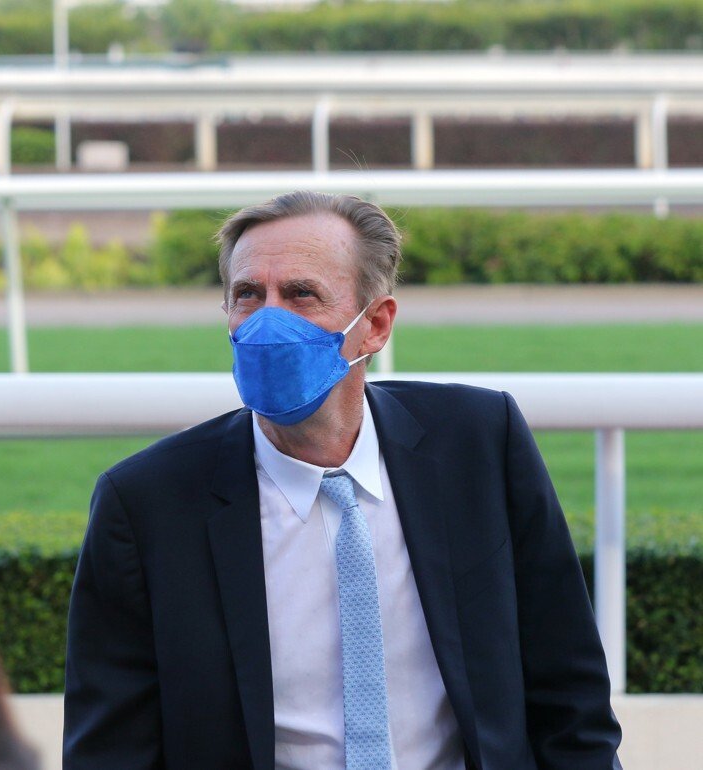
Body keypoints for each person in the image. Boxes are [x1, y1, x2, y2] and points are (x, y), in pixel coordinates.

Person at [63, 192, 621, 770]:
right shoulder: (148, 504)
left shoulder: (481, 443)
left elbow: (569, 694)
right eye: (248, 295)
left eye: (301, 294)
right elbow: (110, 750)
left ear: (375, 325)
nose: (267, 322)